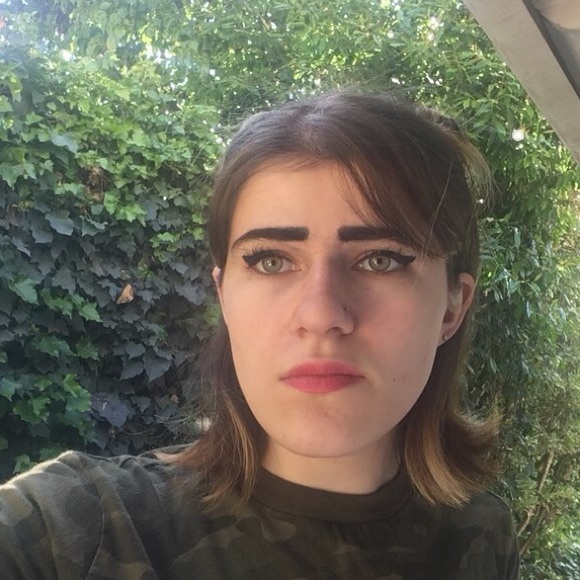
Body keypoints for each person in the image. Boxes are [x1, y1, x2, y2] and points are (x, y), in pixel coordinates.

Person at [0, 90, 520, 579]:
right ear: (224, 296)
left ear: (453, 307)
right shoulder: (72, 530)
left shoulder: (481, 536)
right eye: (271, 261)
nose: (320, 314)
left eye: (380, 259)